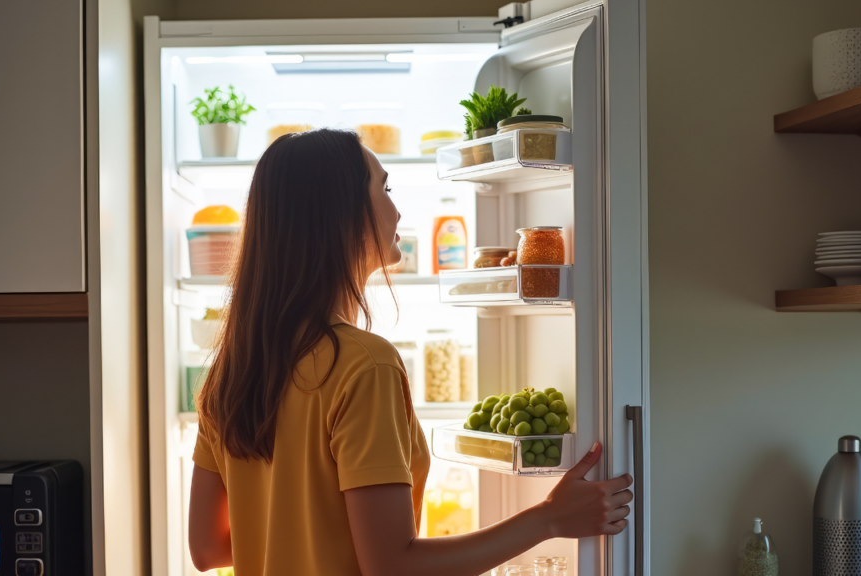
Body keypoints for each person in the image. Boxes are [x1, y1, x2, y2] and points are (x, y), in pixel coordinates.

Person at [188, 129, 633, 576]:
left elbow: (208, 548)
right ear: (342, 215)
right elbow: (392, 566)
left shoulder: (232, 368)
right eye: (384, 189)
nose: (396, 210)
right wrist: (548, 518)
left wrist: (301, 525)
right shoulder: (363, 365)